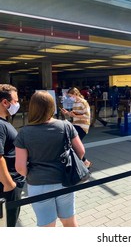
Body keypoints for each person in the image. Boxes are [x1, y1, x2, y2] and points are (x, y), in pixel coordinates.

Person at [14, 91, 85, 227]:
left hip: (38, 184)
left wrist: (32, 174)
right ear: (52, 106)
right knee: (69, 221)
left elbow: (20, 167)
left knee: (47, 225)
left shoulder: (24, 133)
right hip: (64, 180)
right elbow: (81, 151)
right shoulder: (65, 126)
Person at [0, 84, 25, 227]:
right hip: (7, 186)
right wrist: (9, 184)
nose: (17, 104)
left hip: (10, 183)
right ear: (5, 102)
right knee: (8, 224)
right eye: (15, 101)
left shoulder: (4, 122)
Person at [60, 87, 91, 168]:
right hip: (76, 125)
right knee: (72, 144)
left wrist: (75, 115)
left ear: (76, 94)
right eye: (69, 96)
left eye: (71, 96)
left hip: (83, 126)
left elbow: (87, 116)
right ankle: (84, 162)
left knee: (73, 144)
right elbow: (74, 115)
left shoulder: (83, 102)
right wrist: (67, 113)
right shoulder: (75, 103)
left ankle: (84, 162)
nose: (70, 98)